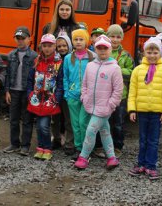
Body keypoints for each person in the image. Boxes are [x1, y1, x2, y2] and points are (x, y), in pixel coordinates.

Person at [74, 35, 123, 170]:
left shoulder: (115, 68)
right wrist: (84, 97)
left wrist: (111, 105)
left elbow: (118, 90)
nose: (102, 51)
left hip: (105, 108)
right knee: (104, 131)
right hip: (90, 105)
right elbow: (84, 84)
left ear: (110, 49)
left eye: (105, 48)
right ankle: (112, 157)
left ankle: (83, 156)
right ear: (95, 49)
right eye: (99, 48)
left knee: (91, 130)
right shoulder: (90, 66)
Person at [128, 37, 162, 180]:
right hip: (142, 111)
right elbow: (132, 91)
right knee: (143, 139)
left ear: (161, 53)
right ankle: (141, 163)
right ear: (144, 52)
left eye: (155, 52)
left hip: (157, 113)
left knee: (153, 140)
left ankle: (151, 165)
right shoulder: (137, 70)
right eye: (149, 52)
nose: (152, 55)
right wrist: (132, 109)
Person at [27, 34, 63, 161]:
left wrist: (56, 98)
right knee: (39, 125)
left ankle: (47, 148)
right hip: (36, 99)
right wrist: (30, 94)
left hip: (49, 100)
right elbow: (30, 79)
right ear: (41, 46)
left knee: (44, 125)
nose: (47, 48)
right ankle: (40, 147)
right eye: (45, 46)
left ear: (54, 46)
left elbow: (60, 82)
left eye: (50, 46)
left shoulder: (58, 63)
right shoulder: (37, 61)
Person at [3, 26, 38, 156]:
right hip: (14, 91)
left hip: (27, 92)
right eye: (18, 38)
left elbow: (36, 77)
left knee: (27, 119)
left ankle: (25, 145)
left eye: (23, 38)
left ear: (29, 39)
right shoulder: (11, 55)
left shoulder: (34, 56)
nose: (20, 41)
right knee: (13, 119)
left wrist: (34, 93)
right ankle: (14, 144)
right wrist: (7, 91)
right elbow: (7, 74)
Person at [63, 29, 96, 161]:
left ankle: (87, 148)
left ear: (86, 41)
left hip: (88, 96)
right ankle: (78, 148)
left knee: (84, 123)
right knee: (75, 124)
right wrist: (67, 93)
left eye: (81, 39)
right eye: (76, 39)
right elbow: (65, 76)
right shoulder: (68, 58)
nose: (78, 42)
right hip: (72, 95)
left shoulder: (93, 57)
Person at [106, 24, 134, 156]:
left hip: (120, 95)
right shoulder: (104, 51)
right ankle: (103, 145)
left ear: (121, 38)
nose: (115, 39)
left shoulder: (126, 55)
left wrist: (117, 69)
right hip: (105, 94)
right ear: (107, 37)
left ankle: (118, 146)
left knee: (118, 122)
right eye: (112, 36)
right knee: (105, 121)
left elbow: (131, 72)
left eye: (118, 37)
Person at [51, 35, 73, 152]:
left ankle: (69, 143)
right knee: (55, 118)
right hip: (55, 92)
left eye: (64, 45)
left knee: (69, 119)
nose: (62, 48)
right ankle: (56, 139)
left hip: (67, 93)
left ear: (69, 45)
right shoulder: (55, 59)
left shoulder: (72, 58)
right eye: (59, 46)